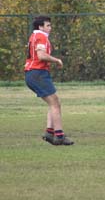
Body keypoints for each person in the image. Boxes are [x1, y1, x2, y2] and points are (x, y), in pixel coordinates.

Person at [25, 16, 73, 146]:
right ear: (40, 27)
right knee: (55, 103)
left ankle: (49, 133)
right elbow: (41, 56)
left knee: (53, 103)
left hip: (33, 73)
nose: (50, 28)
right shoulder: (41, 36)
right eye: (48, 25)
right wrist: (57, 60)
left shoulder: (34, 36)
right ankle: (59, 136)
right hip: (37, 73)